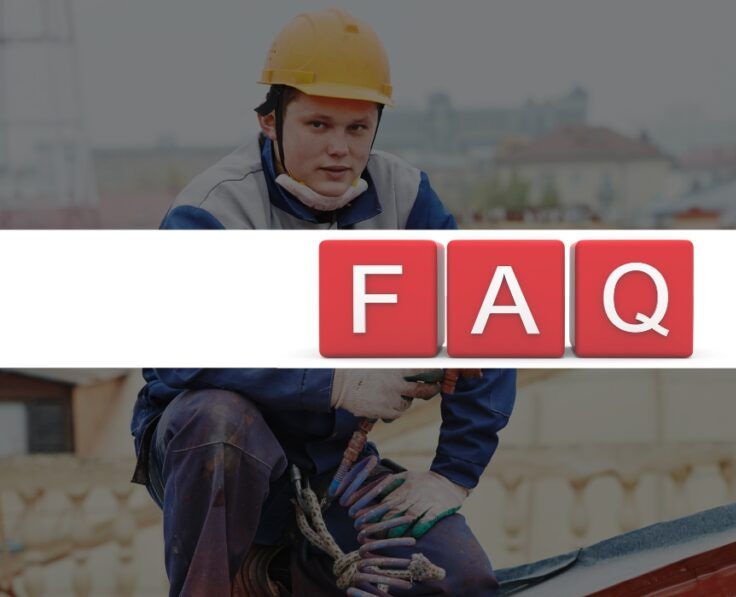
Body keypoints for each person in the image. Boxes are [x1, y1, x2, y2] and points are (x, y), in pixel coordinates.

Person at [130, 8, 516, 595]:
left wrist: (452, 474)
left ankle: (292, 570)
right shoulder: (213, 211)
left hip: (333, 464)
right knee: (218, 421)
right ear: (270, 121)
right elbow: (179, 354)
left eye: (357, 128)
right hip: (214, 459)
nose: (339, 149)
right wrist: (330, 381)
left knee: (460, 581)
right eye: (317, 125)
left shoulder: (406, 201)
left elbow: (489, 319)